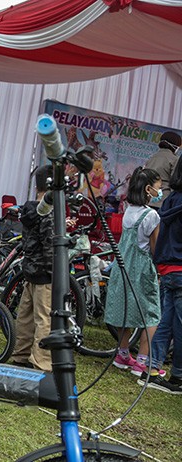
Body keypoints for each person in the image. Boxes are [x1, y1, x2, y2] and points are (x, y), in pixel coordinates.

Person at [105, 167, 164, 377]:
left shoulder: (129, 210)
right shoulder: (151, 215)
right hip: (142, 269)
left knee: (125, 311)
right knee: (151, 316)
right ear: (148, 189)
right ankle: (142, 362)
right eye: (158, 187)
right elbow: (155, 248)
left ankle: (123, 355)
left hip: (123, 266)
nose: (160, 191)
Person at [140, 159, 182, 393]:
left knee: (166, 321)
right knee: (177, 325)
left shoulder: (170, 200)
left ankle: (152, 368)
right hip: (179, 268)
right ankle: (177, 376)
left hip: (167, 268)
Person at [10, 165, 53, 371]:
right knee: (44, 319)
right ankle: (41, 361)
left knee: (25, 316)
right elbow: (50, 245)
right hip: (45, 272)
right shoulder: (48, 212)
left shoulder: (29, 209)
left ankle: (21, 354)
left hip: (29, 269)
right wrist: (55, 271)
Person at [144, 131, 181, 210]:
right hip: (163, 202)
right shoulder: (174, 159)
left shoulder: (152, 158)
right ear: (175, 145)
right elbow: (175, 182)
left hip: (147, 200)